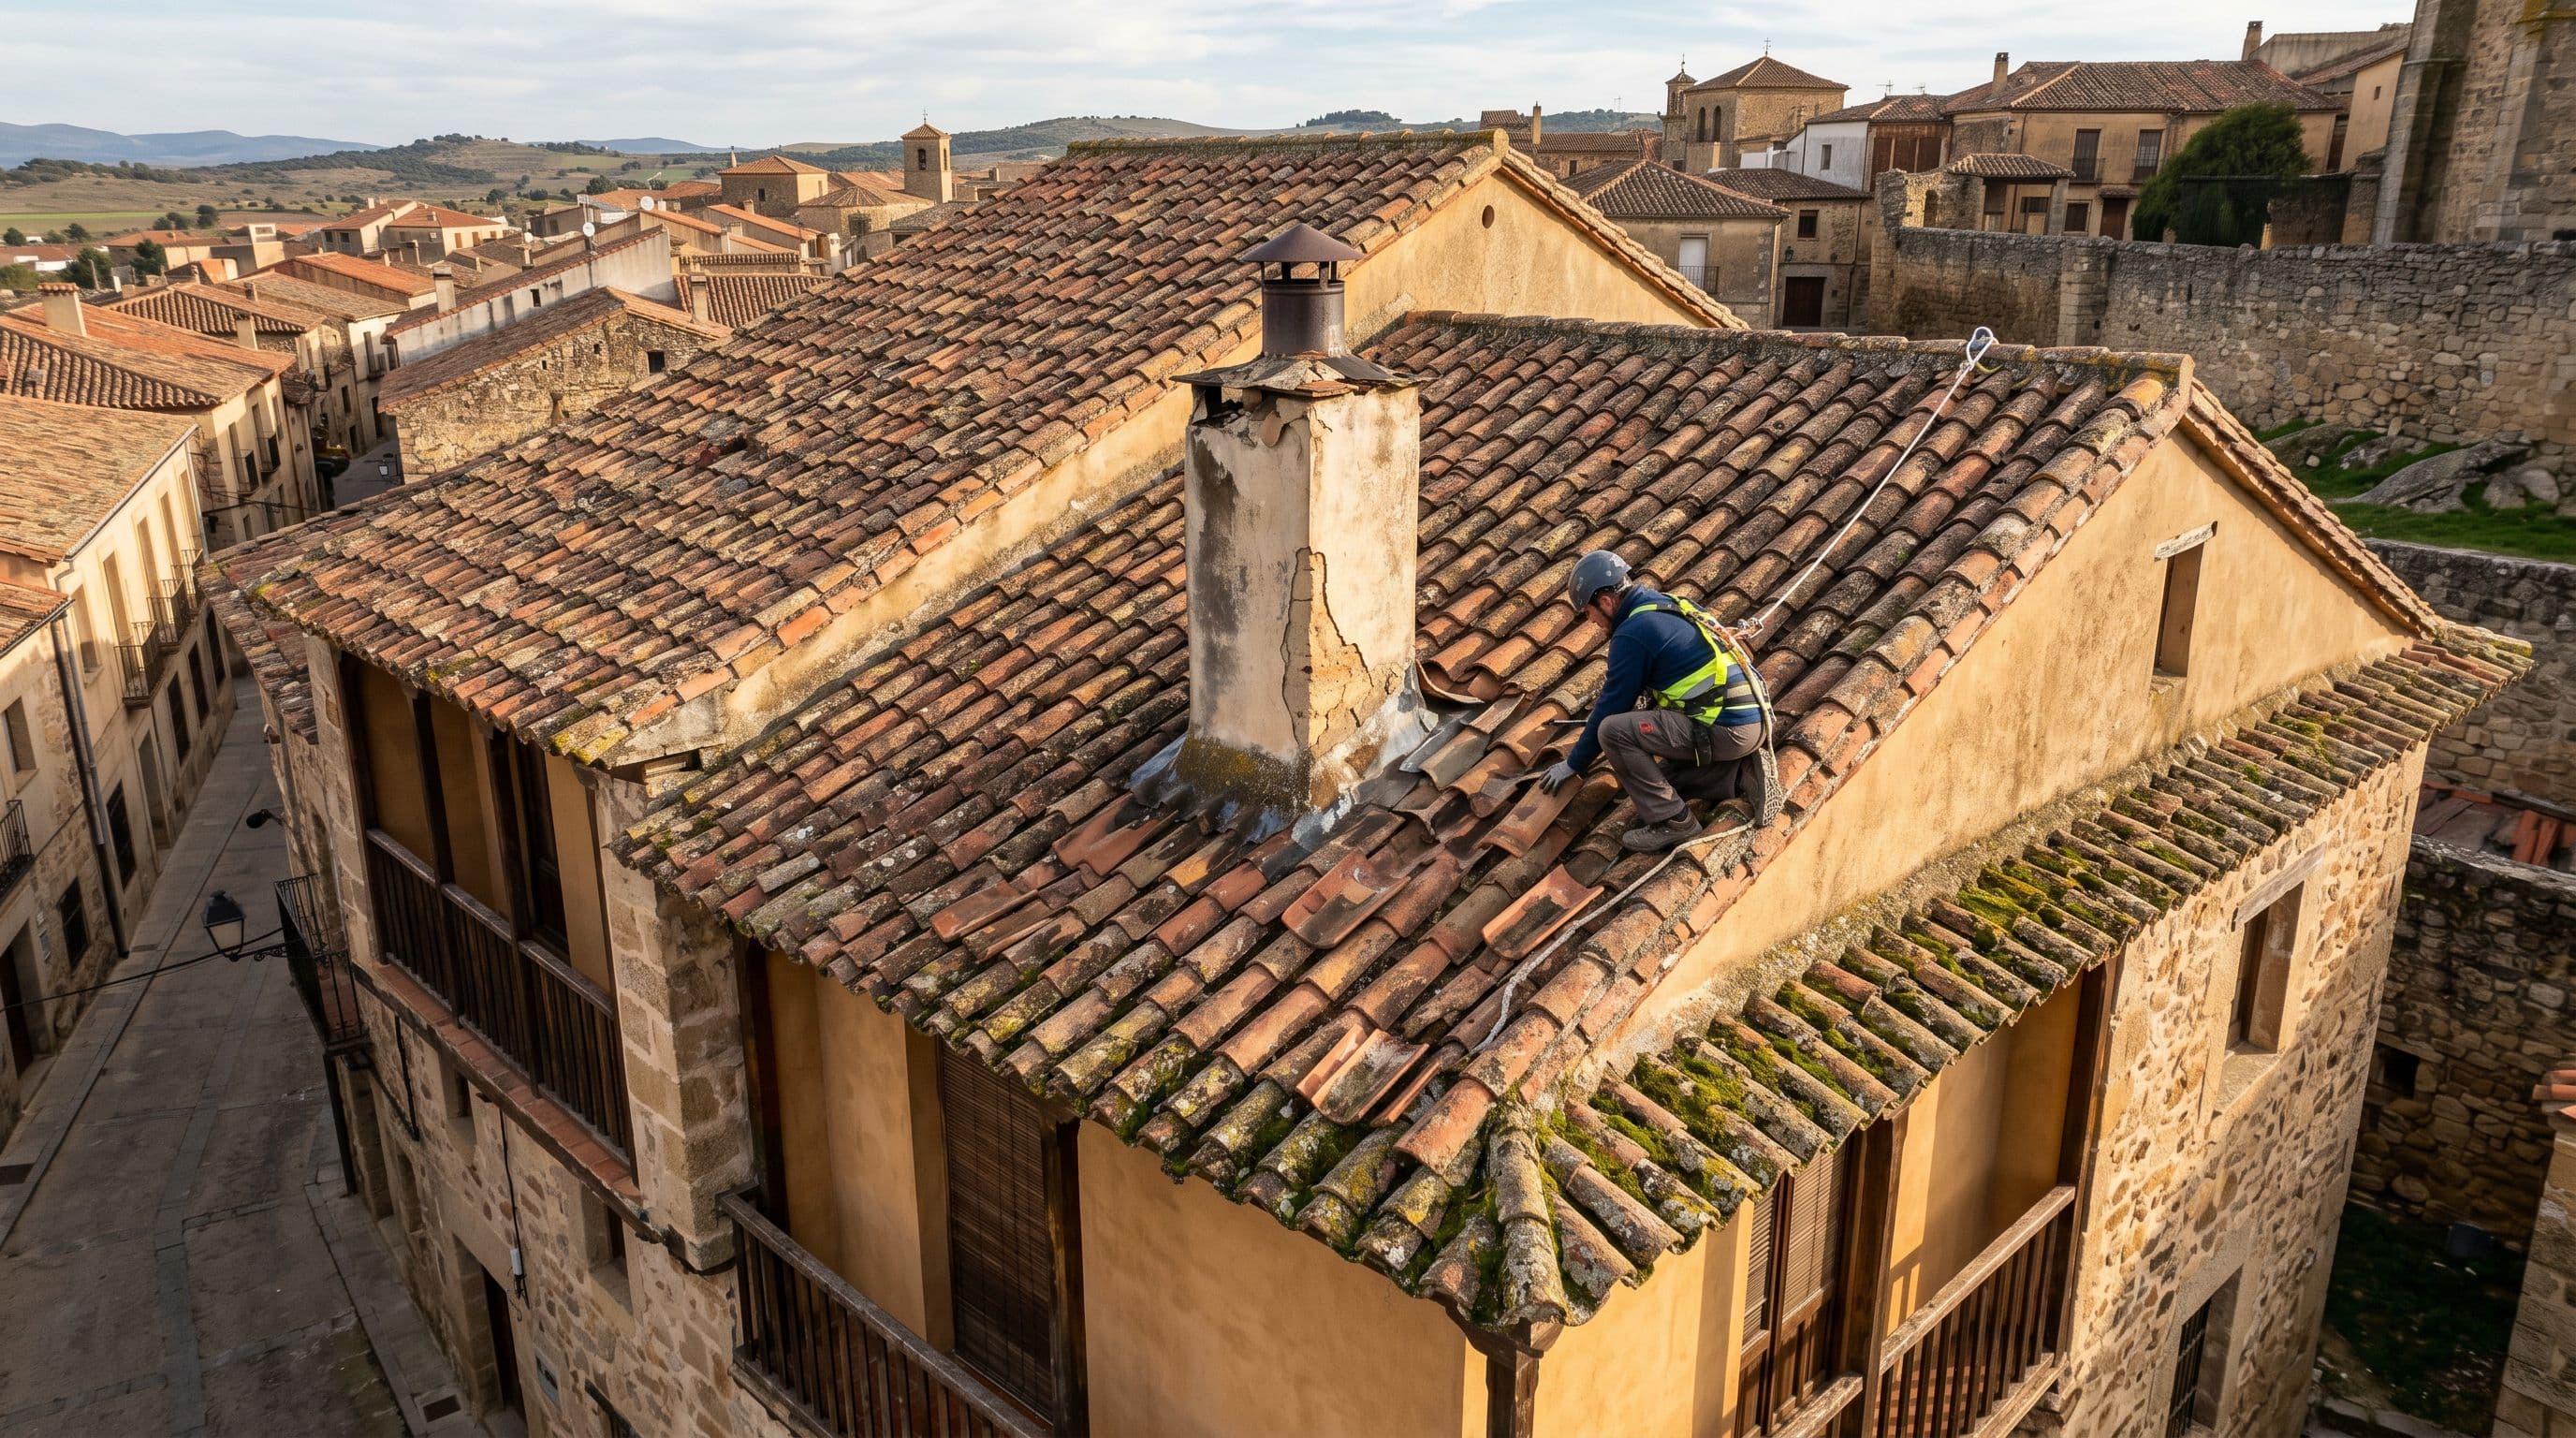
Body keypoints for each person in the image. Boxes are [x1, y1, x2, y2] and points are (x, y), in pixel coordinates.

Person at [1539, 550, 1767, 851]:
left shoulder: (1632, 633)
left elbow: (1611, 706)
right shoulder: (1669, 603)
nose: (1590, 620)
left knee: (1614, 732)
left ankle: (1674, 822)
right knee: (1662, 776)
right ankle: (1736, 775)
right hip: (1755, 721)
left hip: (1728, 729)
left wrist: (1573, 764)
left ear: (1606, 602)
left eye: (1587, 612)